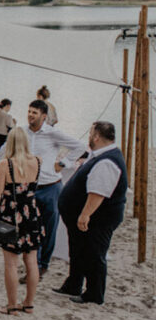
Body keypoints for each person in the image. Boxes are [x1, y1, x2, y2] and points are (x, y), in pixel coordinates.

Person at [0, 99, 85, 275]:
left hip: (50, 186)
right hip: (27, 188)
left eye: (35, 112)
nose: (30, 115)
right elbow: (3, 148)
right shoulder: (21, 131)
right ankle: (34, 266)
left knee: (49, 227)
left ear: (44, 116)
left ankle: (43, 264)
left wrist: (63, 163)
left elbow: (80, 146)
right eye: (29, 111)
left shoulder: (53, 133)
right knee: (31, 228)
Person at [54, 121, 127, 305]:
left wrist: (85, 214)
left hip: (99, 218)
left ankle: (94, 294)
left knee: (94, 254)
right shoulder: (100, 155)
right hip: (84, 215)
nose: (88, 137)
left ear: (96, 136)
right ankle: (74, 284)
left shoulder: (108, 161)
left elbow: (98, 192)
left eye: (90, 133)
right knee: (78, 250)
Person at [0, 127, 45, 316]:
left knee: (11, 264)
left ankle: (12, 305)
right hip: (31, 213)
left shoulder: (6, 164)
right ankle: (29, 303)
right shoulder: (38, 161)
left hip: (11, 215)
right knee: (31, 261)